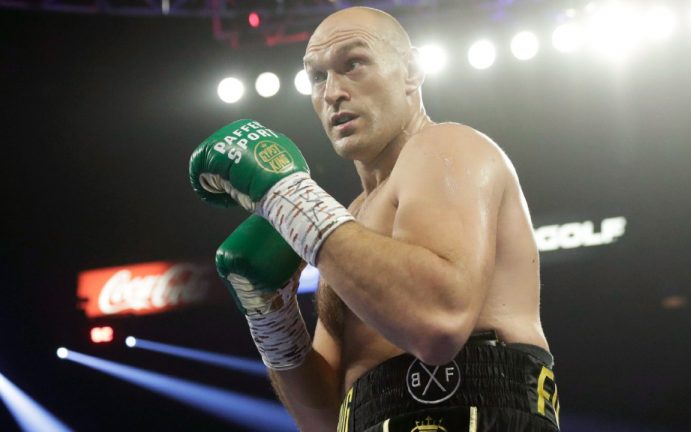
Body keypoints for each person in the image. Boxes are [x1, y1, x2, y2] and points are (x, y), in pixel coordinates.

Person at [190, 6, 559, 431]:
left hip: (479, 410)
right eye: (317, 78)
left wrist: (286, 195)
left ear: (410, 71)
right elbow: (326, 420)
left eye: (353, 64)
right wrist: (272, 319)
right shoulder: (347, 225)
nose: (332, 93)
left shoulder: (446, 146)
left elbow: (438, 324)